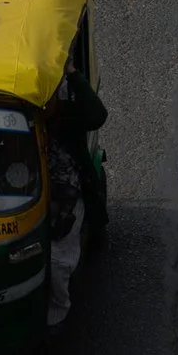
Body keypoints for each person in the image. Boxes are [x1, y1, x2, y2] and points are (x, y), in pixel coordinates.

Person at [42, 62, 108, 331]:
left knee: (57, 259)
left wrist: (72, 74)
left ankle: (58, 312)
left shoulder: (68, 113)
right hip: (23, 191)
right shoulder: (18, 114)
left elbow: (97, 116)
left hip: (64, 190)